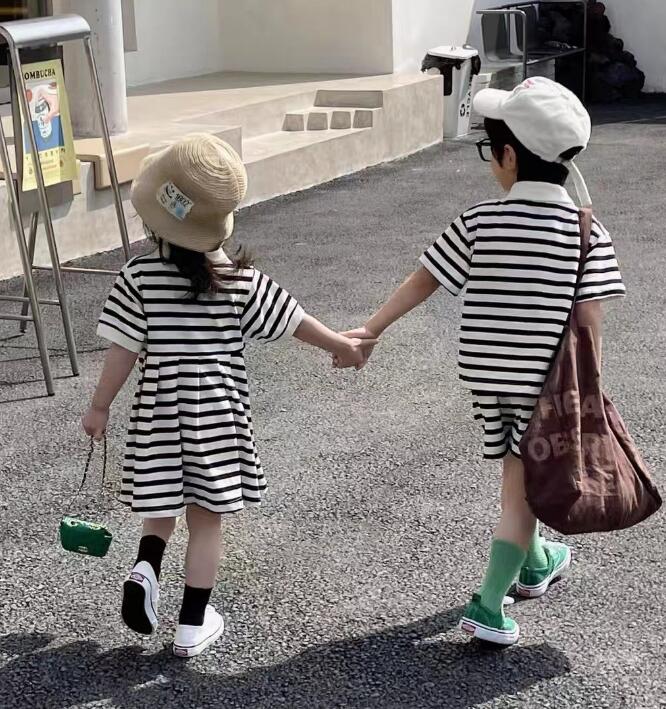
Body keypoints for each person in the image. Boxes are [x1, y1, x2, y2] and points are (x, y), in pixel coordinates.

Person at [339, 78, 625, 645]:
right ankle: (489, 606)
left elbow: (426, 278)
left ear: (509, 157)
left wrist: (372, 328)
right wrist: (588, 388)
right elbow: (589, 319)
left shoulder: (480, 220)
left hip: (490, 380)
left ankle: (536, 562)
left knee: (520, 473)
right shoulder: (586, 233)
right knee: (520, 488)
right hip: (546, 386)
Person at [82, 134, 373, 658]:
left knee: (162, 501)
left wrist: (100, 406)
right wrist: (342, 346)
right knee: (206, 518)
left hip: (158, 411)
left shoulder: (138, 275)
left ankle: (145, 567)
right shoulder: (239, 279)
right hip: (217, 410)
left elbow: (122, 349)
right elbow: (294, 320)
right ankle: (192, 624)